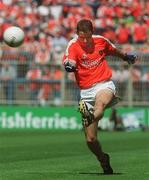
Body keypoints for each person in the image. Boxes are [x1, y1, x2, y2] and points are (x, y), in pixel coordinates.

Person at [62, 19, 137, 175]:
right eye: (81, 37)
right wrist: (69, 66)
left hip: (104, 85)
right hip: (85, 92)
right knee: (91, 140)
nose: (84, 41)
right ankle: (103, 159)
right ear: (77, 34)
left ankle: (89, 116)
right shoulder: (73, 46)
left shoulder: (101, 41)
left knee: (100, 106)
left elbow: (113, 50)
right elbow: (69, 61)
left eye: (87, 37)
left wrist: (125, 57)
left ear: (92, 33)